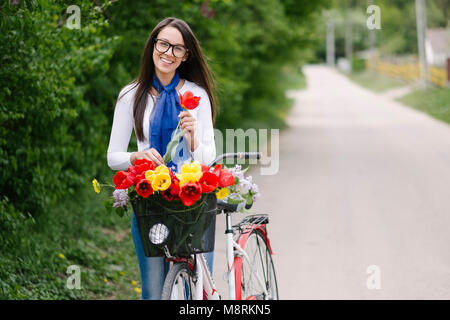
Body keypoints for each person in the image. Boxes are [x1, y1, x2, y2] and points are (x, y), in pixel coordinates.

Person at [107, 17, 217, 300]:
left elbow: (209, 158)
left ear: (185, 56)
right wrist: (136, 156)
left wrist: (193, 138)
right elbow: (113, 157)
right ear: (153, 45)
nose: (168, 53)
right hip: (151, 202)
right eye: (163, 44)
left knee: (199, 292)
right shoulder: (130, 95)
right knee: (153, 293)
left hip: (192, 202)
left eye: (177, 48)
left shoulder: (197, 95)